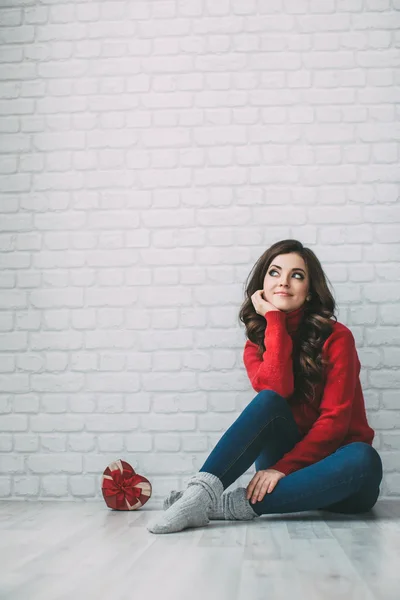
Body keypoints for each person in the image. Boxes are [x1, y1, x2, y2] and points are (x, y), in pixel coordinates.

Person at [147, 239, 382, 534]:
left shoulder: (337, 338)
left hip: (338, 475)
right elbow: (277, 390)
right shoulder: (256, 345)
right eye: (274, 272)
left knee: (364, 458)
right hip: (280, 470)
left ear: (309, 292)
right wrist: (274, 319)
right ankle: (200, 494)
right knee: (269, 400)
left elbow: (335, 422)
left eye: (297, 275)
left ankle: (225, 506)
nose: (283, 281)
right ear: (262, 285)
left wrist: (282, 468)